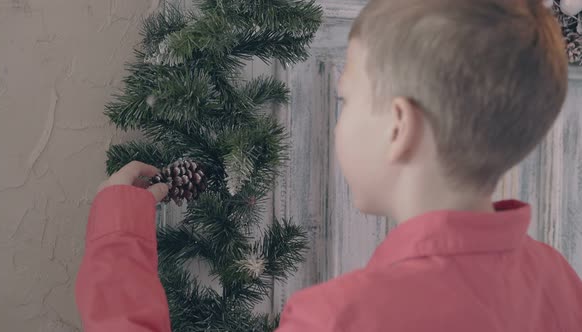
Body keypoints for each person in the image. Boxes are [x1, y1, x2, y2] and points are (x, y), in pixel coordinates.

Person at [75, 0, 582, 331]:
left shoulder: (337, 319)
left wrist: (117, 238)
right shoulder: (559, 283)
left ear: (397, 126)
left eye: (345, 99)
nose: (339, 118)